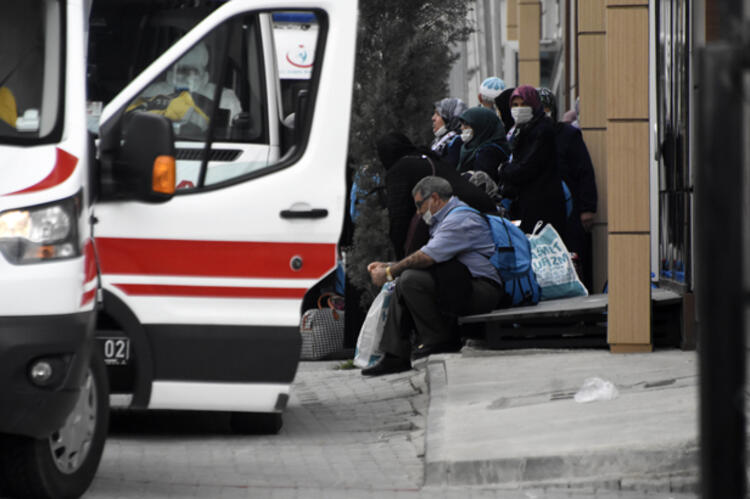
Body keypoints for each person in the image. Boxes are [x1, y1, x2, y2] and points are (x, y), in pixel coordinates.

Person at [362, 176, 503, 376]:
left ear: (435, 198)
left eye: (420, 205)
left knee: (410, 279)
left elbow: (426, 257)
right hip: (460, 285)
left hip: (482, 290)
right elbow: (432, 255)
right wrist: (389, 266)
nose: (419, 212)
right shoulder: (445, 219)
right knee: (405, 280)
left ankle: (439, 340)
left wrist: (388, 272)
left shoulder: (459, 220)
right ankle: (396, 355)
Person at [376, 132, 496, 260]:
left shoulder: (399, 169)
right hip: (488, 217)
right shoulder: (430, 158)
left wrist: (400, 258)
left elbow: (398, 217)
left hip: (460, 222)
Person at [538, 88, 598, 289]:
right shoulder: (525, 139)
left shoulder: (568, 135)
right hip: (541, 214)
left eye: (545, 108)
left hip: (569, 213)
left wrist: (587, 208)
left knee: (573, 259)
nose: (542, 112)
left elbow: (584, 172)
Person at [497, 85, 567, 238]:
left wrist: (504, 169)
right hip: (528, 202)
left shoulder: (542, 130)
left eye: (524, 104)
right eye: (515, 105)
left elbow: (527, 167)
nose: (519, 109)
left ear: (534, 104)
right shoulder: (521, 130)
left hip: (542, 204)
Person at [129, 42, 242, 132]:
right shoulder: (150, 93)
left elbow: (231, 133)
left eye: (192, 72)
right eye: (179, 71)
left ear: (205, 77)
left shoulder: (224, 98)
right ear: (169, 74)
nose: (184, 77)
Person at [457, 106, 509, 182]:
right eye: (461, 124)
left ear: (480, 126)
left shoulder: (488, 152)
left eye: (466, 125)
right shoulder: (469, 147)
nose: (462, 128)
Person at [430, 97, 467, 167]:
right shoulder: (437, 142)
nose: (433, 118)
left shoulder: (457, 144)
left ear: (450, 117)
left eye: (438, 114)